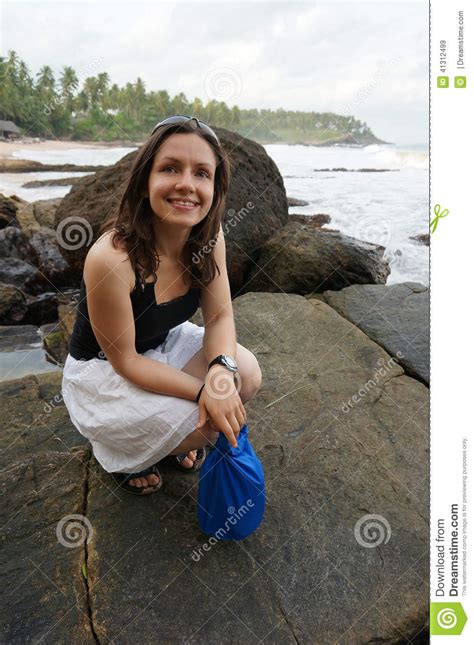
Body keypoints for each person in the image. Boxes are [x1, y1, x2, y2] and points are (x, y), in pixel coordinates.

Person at [61, 115, 262, 496]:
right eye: (170, 168)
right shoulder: (111, 258)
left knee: (244, 374)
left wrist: (220, 373)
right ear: (145, 182)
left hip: (160, 346)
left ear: (215, 188)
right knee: (208, 419)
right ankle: (118, 454)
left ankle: (161, 441)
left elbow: (219, 316)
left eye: (202, 173)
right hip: (104, 373)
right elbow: (126, 362)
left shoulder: (208, 237)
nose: (187, 184)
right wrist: (204, 393)